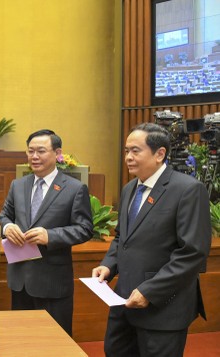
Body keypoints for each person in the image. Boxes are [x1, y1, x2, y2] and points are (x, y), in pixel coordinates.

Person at [92, 123, 211, 356]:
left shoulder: (188, 189)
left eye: (136, 151)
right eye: (126, 151)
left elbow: (192, 252)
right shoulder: (129, 189)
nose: (128, 157)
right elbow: (122, 238)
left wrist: (149, 290)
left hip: (163, 307)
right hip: (123, 302)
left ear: (160, 154)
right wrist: (108, 265)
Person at [0, 129, 93, 336]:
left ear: (57, 153)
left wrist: (51, 236)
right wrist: (7, 227)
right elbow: (4, 216)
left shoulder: (75, 188)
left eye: (41, 151)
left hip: (53, 282)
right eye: (30, 151)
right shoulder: (18, 185)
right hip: (20, 281)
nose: (34, 156)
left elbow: (85, 229)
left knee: (53, 342)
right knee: (21, 340)